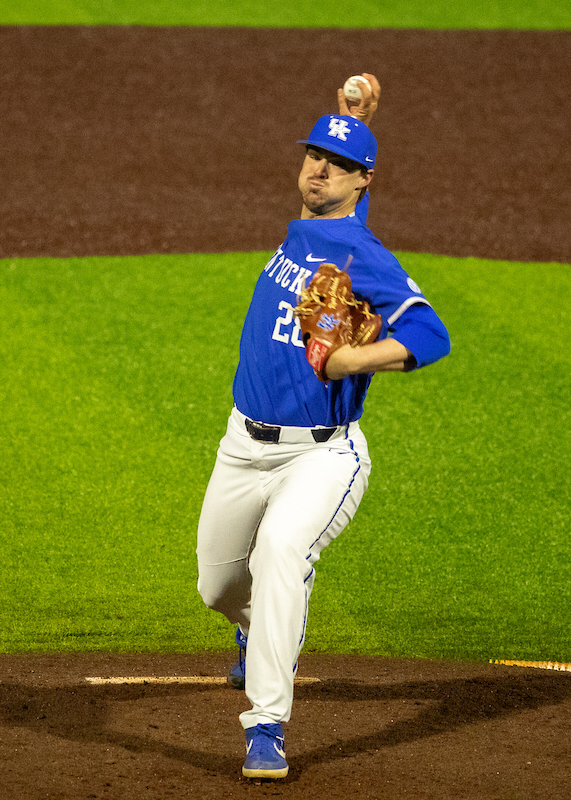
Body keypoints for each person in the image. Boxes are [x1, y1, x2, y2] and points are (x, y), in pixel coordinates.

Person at [195, 75, 451, 780]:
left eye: (337, 164)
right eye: (314, 155)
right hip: (243, 446)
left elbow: (430, 336)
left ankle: (266, 726)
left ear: (363, 180)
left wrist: (349, 360)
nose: (318, 168)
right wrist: (349, 122)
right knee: (217, 589)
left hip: (322, 457)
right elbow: (345, 215)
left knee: (281, 552)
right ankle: (253, 630)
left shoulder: (366, 257)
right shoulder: (309, 228)